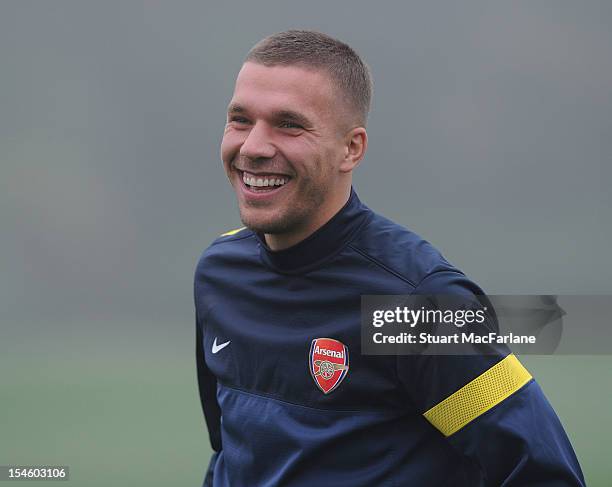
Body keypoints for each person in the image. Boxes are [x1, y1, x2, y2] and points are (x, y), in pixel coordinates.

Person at [194, 30, 585, 486]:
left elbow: (542, 473)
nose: (254, 147)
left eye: (289, 125)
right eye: (240, 120)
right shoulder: (220, 273)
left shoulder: (417, 303)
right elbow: (230, 455)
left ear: (351, 148)